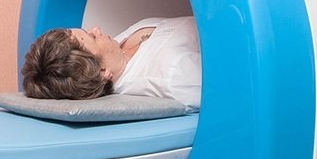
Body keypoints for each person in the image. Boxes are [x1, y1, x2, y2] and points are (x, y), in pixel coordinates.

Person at [21, 16, 201, 109]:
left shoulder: (117, 48)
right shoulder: (171, 76)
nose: (96, 29)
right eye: (92, 37)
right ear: (102, 72)